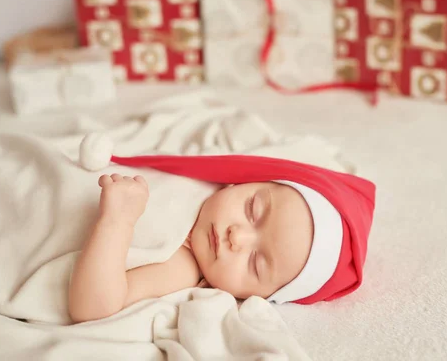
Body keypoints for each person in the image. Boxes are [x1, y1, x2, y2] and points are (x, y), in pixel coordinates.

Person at [68, 135, 376, 324]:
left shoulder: (182, 264)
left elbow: (93, 308)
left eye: (255, 263)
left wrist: (116, 222)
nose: (237, 237)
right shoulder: (202, 178)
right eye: (252, 209)